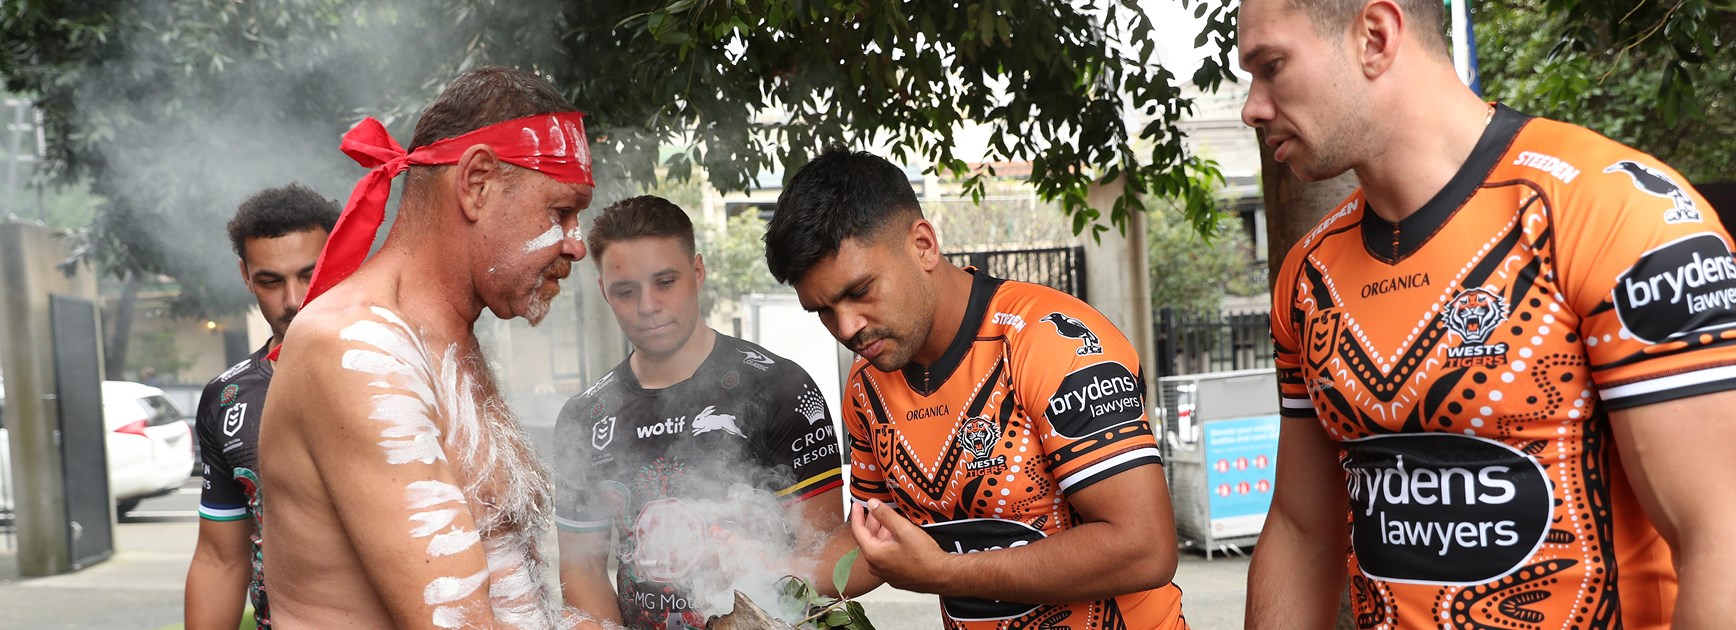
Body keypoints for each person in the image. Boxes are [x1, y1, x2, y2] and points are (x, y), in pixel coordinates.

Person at [1239, 1, 1736, 628]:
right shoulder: (1309, 275)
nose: (1252, 106)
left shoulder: (1614, 212)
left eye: (1272, 66)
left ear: (1374, 36)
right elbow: (1302, 528)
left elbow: (1721, 537)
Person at [763, 148, 1188, 629]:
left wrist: (946, 573)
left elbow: (1145, 548)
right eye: (823, 310)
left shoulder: (1049, 342)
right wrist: (751, 574)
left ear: (923, 245)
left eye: (859, 291)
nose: (846, 327)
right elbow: (870, 539)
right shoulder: (866, 388)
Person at [257, 66, 597, 629]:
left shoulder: (445, 337)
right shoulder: (356, 349)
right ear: (477, 182)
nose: (576, 244)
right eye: (560, 211)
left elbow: (510, 597)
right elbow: (455, 620)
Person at [553, 195, 849, 629]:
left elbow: (824, 557)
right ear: (603, 291)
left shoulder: (780, 388)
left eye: (665, 281)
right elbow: (581, 572)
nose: (648, 305)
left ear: (697, 272)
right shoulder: (585, 418)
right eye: (625, 290)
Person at [184, 184, 338, 629]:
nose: (293, 300)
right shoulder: (227, 397)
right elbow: (220, 559)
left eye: (310, 275)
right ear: (246, 277)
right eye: (271, 281)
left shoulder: (401, 366)